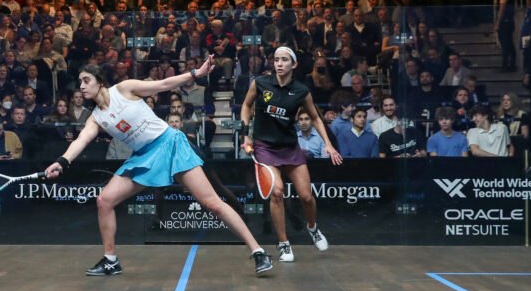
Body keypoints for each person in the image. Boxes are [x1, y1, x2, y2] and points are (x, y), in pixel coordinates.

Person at [43, 57, 274, 277]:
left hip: (170, 144)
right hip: (143, 156)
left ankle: (258, 252)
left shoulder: (124, 88)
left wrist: (196, 73)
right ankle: (110, 261)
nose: (82, 87)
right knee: (104, 200)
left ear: (99, 81)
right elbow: (81, 140)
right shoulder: (96, 118)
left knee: (212, 203)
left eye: (86, 81)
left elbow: (163, 84)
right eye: (80, 82)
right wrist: (62, 162)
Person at [239, 46, 343, 263]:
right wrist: (245, 135)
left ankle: (312, 228)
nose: (279, 63)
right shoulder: (260, 83)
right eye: (276, 59)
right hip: (264, 147)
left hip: (290, 148)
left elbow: (315, 118)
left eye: (284, 60)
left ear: (293, 64)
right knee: (276, 192)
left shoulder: (302, 91)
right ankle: (284, 243)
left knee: (306, 196)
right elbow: (246, 106)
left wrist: (328, 144)